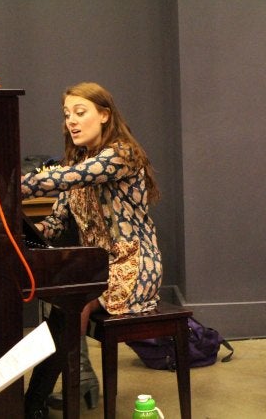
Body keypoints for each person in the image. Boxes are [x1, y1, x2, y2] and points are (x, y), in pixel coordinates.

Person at [21, 82, 162, 418]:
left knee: (74, 302)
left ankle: (35, 403)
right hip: (97, 266)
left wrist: (11, 185)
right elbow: (55, 223)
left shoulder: (121, 155)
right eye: (67, 114)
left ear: (104, 115)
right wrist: (25, 233)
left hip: (134, 264)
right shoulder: (79, 161)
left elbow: (68, 177)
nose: (71, 120)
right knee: (63, 300)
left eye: (80, 112)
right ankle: (36, 401)